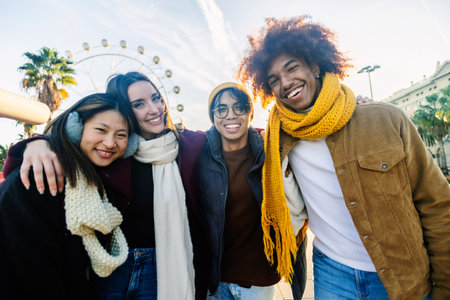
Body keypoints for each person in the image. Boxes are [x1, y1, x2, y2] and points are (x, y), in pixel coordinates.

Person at [237, 16, 450, 300]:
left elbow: (437, 205)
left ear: (315, 66)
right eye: (274, 80)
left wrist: (446, 286)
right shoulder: (280, 138)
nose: (286, 83)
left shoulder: (385, 119)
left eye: (292, 68)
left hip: (403, 274)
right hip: (331, 274)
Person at [3, 72, 209, 300]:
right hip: (109, 265)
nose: (153, 108)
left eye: (156, 98)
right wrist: (38, 143)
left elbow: (224, 139)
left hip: (162, 266)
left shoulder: (187, 147)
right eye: (139, 104)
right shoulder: (111, 155)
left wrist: (254, 135)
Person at [0, 93, 137, 299]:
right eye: (101, 130)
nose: (110, 143)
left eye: (121, 135)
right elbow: (28, 268)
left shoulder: (100, 181)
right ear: (75, 128)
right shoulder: (42, 174)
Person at [198, 82, 307, 299]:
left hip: (258, 279)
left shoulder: (271, 149)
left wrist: (359, 108)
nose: (231, 115)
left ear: (250, 112)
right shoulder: (200, 154)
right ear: (213, 117)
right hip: (216, 279)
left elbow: (313, 132)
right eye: (221, 109)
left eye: (239, 107)